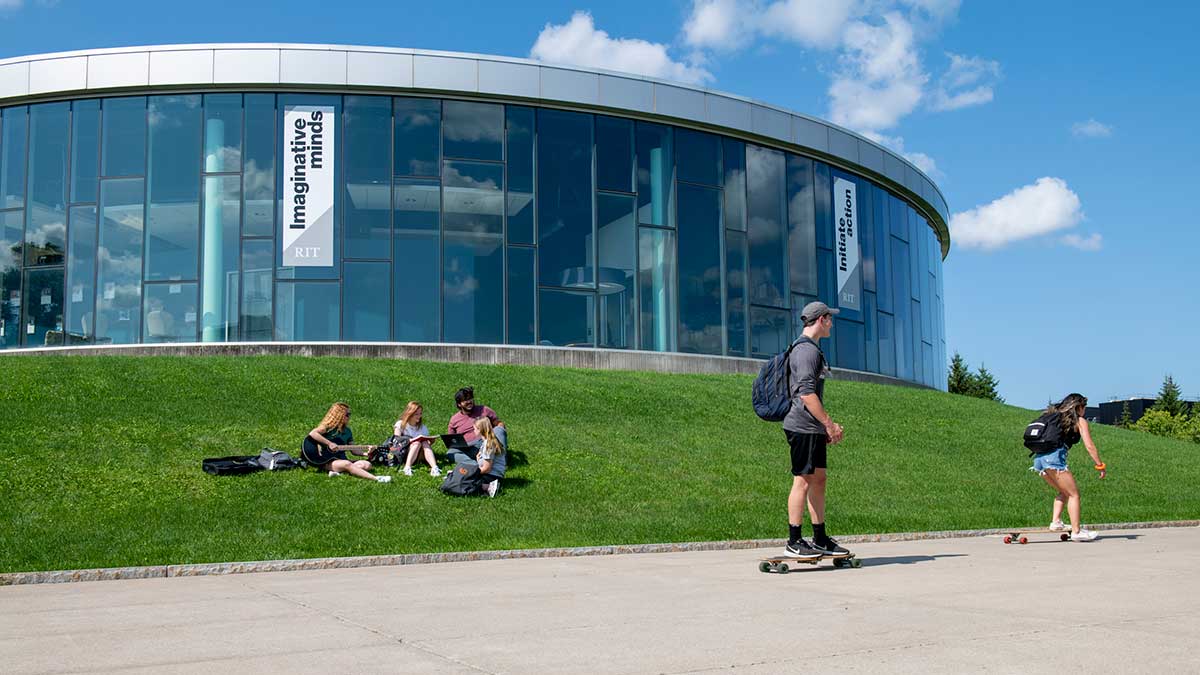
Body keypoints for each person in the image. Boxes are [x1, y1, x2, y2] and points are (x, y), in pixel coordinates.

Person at [782, 301, 848, 560]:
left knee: (819, 479)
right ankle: (794, 541)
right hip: (802, 426)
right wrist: (829, 424)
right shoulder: (806, 351)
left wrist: (823, 428)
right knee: (803, 480)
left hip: (812, 427)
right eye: (830, 318)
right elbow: (807, 394)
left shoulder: (811, 350)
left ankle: (819, 538)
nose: (832, 323)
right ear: (821, 319)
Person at [1032, 393, 1107, 541]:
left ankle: (1056, 522)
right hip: (1053, 458)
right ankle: (1077, 532)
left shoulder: (1053, 416)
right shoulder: (1079, 421)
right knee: (1074, 494)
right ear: (1078, 407)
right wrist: (1100, 465)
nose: (1084, 410)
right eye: (1084, 407)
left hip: (1039, 459)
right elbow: (1089, 446)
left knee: (1064, 491)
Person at [300, 402, 391, 483]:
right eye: (347, 414)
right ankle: (376, 479)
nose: (349, 416)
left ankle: (338, 473)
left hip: (341, 459)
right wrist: (329, 443)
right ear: (339, 415)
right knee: (346, 464)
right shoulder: (327, 428)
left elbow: (354, 451)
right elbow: (313, 433)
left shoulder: (347, 431)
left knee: (367, 465)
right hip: (327, 461)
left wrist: (367, 453)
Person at [446, 386, 508, 464]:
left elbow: (499, 423)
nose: (469, 401)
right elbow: (451, 440)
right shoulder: (454, 419)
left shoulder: (484, 410)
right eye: (465, 400)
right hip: (469, 447)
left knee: (499, 430)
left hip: (486, 442)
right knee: (450, 453)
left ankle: (502, 459)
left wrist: (496, 433)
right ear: (459, 404)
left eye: (470, 398)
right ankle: (474, 465)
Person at [394, 400, 441, 477]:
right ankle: (407, 467)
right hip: (403, 452)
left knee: (424, 442)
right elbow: (396, 439)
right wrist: (412, 440)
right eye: (416, 414)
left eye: (420, 414)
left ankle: (434, 468)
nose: (419, 416)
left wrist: (431, 442)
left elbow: (426, 445)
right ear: (410, 414)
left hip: (419, 455)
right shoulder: (400, 424)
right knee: (417, 443)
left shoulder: (422, 427)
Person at [473, 417, 506, 498]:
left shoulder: (489, 444)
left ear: (480, 429)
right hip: (491, 474)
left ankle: (489, 487)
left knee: (466, 482)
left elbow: (487, 468)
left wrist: (471, 473)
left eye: (474, 429)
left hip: (492, 476)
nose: (473, 431)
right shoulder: (487, 442)